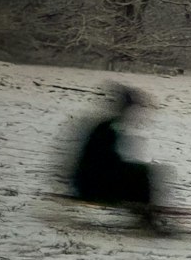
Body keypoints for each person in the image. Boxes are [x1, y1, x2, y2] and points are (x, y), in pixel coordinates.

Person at [68, 84, 165, 231]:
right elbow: (102, 163)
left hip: (92, 181)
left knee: (141, 171)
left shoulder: (108, 127)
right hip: (91, 186)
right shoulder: (107, 129)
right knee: (142, 173)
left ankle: (145, 214)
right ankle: (145, 217)